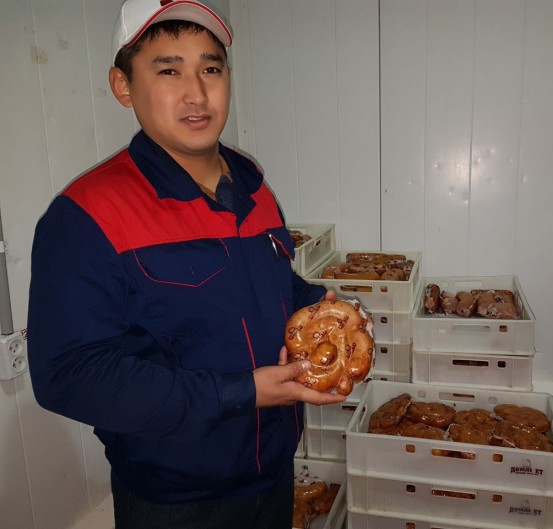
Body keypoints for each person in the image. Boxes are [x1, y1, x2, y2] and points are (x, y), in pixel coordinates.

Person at [27, 1, 346, 528]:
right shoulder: (85, 216)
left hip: (274, 475)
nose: (197, 93)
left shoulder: (252, 186)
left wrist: (318, 306)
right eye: (169, 70)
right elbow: (69, 375)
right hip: (175, 503)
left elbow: (268, 285)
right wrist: (243, 393)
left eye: (211, 68)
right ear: (123, 85)